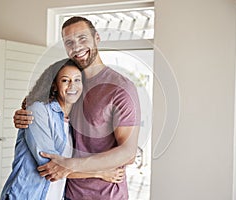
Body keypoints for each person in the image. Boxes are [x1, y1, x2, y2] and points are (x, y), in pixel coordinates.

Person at [14, 16, 141, 200]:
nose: (77, 47)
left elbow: (128, 153)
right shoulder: (71, 85)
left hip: (105, 195)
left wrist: (70, 165)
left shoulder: (120, 88)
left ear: (97, 38)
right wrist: (24, 114)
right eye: (69, 42)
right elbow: (41, 111)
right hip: (67, 192)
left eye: (82, 38)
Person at [2, 58, 124, 200]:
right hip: (27, 195)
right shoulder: (38, 110)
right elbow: (51, 167)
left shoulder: (75, 118)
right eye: (65, 80)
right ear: (54, 85)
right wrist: (100, 173)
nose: (72, 86)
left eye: (77, 80)